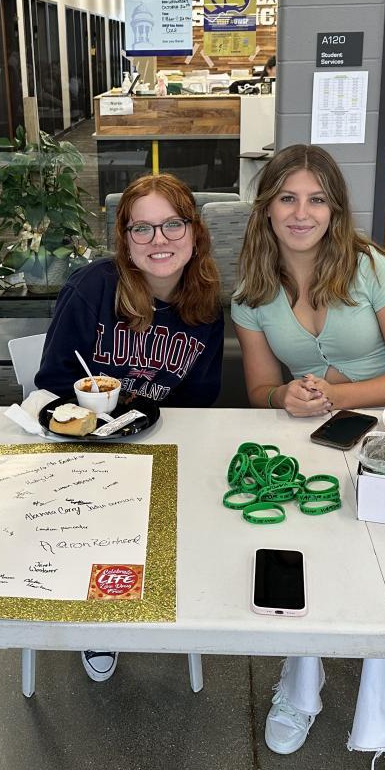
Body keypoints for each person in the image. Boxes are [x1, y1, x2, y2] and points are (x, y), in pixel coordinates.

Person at [231, 144, 385, 770]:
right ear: (266, 208)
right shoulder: (252, 291)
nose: (302, 213)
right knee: (300, 549)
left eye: (317, 199)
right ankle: (300, 687)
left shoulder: (373, 269)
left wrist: (341, 395)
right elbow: (260, 390)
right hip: (312, 435)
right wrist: (284, 397)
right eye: (288, 198)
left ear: (335, 209)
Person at [36, 173, 225, 681]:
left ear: (195, 232)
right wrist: (96, 419)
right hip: (86, 449)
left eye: (172, 225)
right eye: (142, 228)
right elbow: (52, 382)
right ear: (125, 238)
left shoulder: (205, 303)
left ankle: (172, 591)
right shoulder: (92, 288)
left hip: (162, 441)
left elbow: (200, 399)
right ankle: (99, 617)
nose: (158, 240)